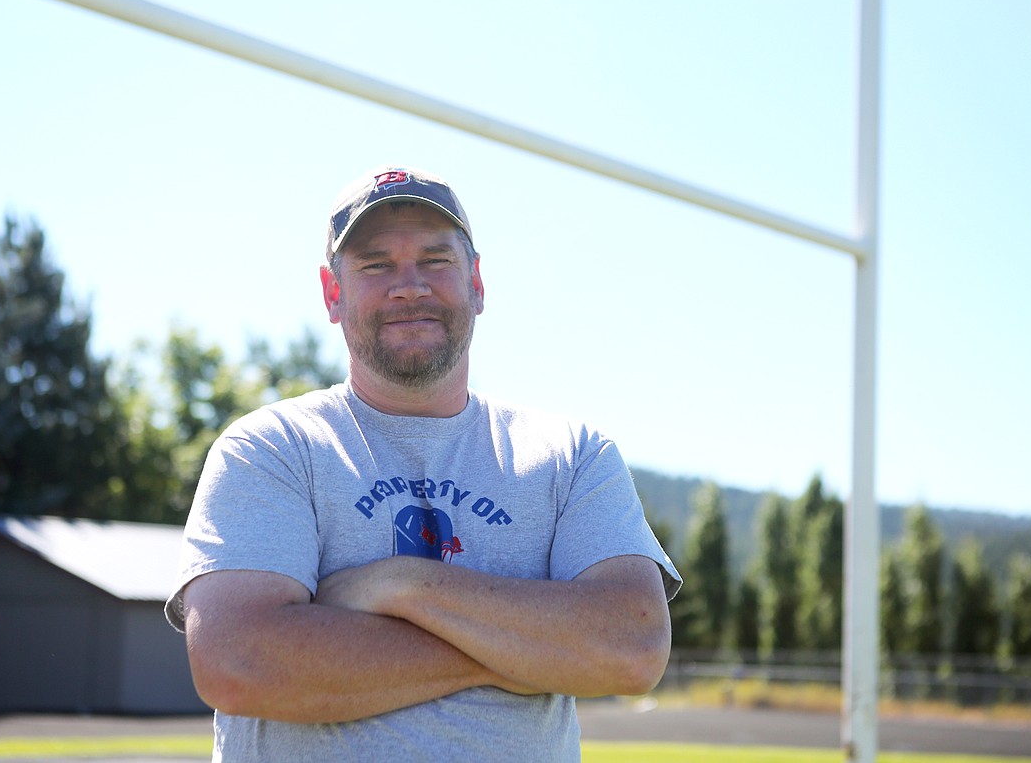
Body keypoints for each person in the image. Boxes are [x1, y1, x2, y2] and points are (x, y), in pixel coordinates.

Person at [165, 165, 681, 762]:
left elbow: (633, 646)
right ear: (333, 295)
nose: (408, 286)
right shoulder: (271, 450)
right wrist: (525, 650)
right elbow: (239, 663)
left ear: (478, 283)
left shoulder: (571, 457)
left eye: (435, 260)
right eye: (376, 265)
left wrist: (398, 584)